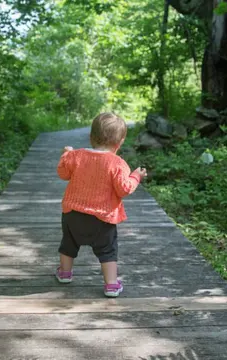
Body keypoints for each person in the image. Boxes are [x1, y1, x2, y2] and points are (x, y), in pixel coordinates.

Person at [55, 112, 147, 297]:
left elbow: (63, 174)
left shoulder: (77, 155)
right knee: (107, 250)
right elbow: (124, 189)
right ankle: (111, 284)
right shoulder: (117, 163)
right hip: (102, 218)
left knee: (69, 243)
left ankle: (65, 273)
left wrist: (66, 156)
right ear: (119, 142)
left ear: (90, 137)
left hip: (73, 213)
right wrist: (136, 176)